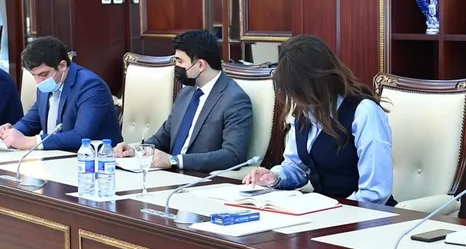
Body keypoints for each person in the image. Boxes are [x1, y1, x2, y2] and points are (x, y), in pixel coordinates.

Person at [242, 35, 393, 205]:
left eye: (298, 92)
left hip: (364, 214)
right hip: (324, 211)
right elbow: (296, 167)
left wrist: (336, 210)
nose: (295, 100)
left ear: (315, 83)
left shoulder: (364, 112)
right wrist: (274, 177)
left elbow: (375, 192)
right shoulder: (304, 113)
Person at [114, 30, 253, 172]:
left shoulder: (234, 100)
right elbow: (163, 137)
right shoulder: (186, 93)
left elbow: (233, 156)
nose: (176, 66)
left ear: (200, 65)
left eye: (180, 61)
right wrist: (135, 150)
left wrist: (174, 161)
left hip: (198, 177)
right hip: (166, 174)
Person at [0, 36, 121, 152]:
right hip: (56, 159)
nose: (38, 82)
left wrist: (30, 142)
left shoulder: (90, 86)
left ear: (62, 66)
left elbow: (81, 136)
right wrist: (10, 133)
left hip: (95, 161)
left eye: (44, 74)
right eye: (34, 76)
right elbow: (30, 122)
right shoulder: (45, 87)